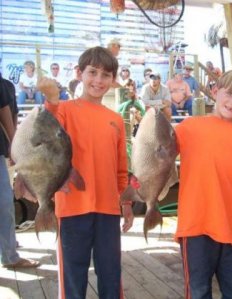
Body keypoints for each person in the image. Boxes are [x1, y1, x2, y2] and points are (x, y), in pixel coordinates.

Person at [37, 46, 133, 299]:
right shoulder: (65, 109)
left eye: (105, 75)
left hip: (108, 209)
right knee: (73, 275)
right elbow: (46, 125)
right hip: (71, 207)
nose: (98, 80)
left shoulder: (115, 119)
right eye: (92, 72)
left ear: (113, 81)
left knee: (111, 273)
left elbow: (121, 169)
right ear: (79, 73)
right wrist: (51, 99)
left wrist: (127, 203)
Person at [174, 69, 232, 298]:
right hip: (195, 225)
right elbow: (160, 152)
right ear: (214, 91)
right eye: (229, 94)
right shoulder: (187, 127)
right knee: (198, 291)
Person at [0, 73, 40, 269]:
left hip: (1, 149)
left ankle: (9, 253)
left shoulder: (5, 85)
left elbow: (9, 112)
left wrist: (13, 146)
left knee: (4, 203)